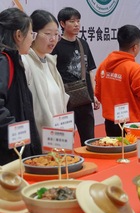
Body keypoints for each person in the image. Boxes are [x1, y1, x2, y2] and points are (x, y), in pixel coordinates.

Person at [52, 7, 99, 146]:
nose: (77, 24)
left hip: (84, 98)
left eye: (78, 21)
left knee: (89, 138)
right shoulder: (56, 46)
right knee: (65, 140)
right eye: (72, 21)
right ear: (62, 24)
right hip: (65, 100)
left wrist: (94, 94)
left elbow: (90, 70)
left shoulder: (83, 43)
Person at [0, 8, 42, 165]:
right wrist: (17, 135)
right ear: (18, 35)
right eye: (32, 34)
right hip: (8, 154)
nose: (32, 39)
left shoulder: (10, 59)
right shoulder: (4, 61)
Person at [22, 10, 69, 140]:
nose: (53, 39)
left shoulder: (50, 62)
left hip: (58, 136)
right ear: (33, 34)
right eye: (48, 34)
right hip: (39, 138)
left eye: (56, 34)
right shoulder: (25, 62)